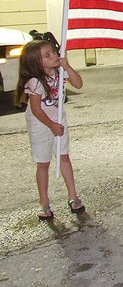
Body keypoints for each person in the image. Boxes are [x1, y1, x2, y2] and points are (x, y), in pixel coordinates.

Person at [14, 40, 85, 220]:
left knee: (64, 157)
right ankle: (44, 202)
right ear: (37, 63)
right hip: (40, 124)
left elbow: (78, 84)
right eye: (47, 55)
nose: (54, 56)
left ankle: (73, 196)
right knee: (43, 162)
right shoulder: (35, 82)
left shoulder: (60, 73)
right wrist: (51, 126)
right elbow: (36, 110)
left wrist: (67, 66)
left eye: (53, 52)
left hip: (58, 118)